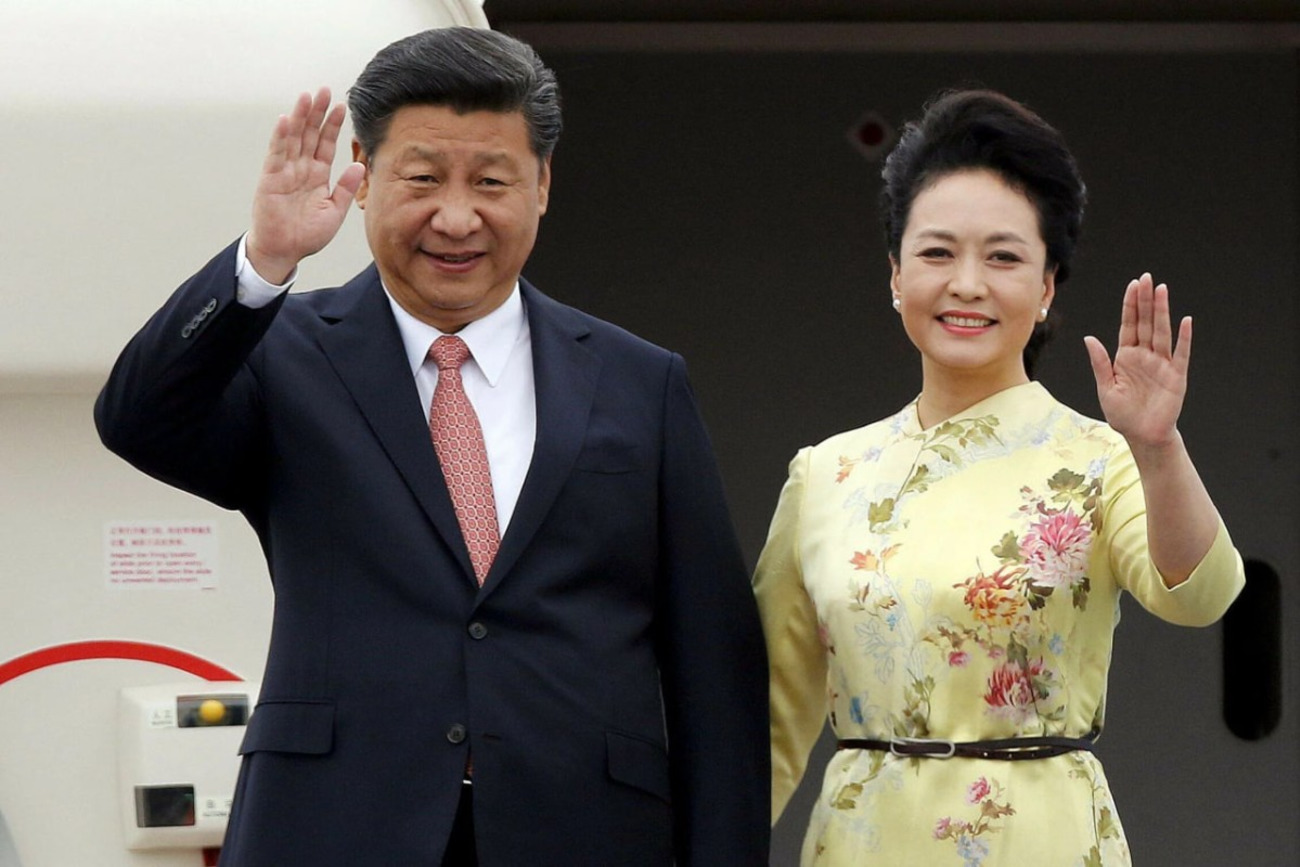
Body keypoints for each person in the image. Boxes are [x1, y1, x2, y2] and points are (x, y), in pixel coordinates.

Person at [96, 26, 769, 866]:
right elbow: (136, 420)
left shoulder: (640, 380)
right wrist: (263, 263)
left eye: (491, 181)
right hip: (335, 828)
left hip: (585, 832)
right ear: (364, 173)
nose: (456, 217)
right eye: (422, 179)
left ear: (543, 184)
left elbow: (714, 669)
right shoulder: (285, 354)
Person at [753, 89, 1244, 866]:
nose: (967, 283)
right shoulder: (826, 475)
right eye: (937, 253)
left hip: (1039, 839)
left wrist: (1157, 448)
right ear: (895, 273)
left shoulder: (1097, 458)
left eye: (1004, 257)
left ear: (1047, 286)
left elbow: (1202, 594)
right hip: (859, 843)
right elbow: (768, 721)